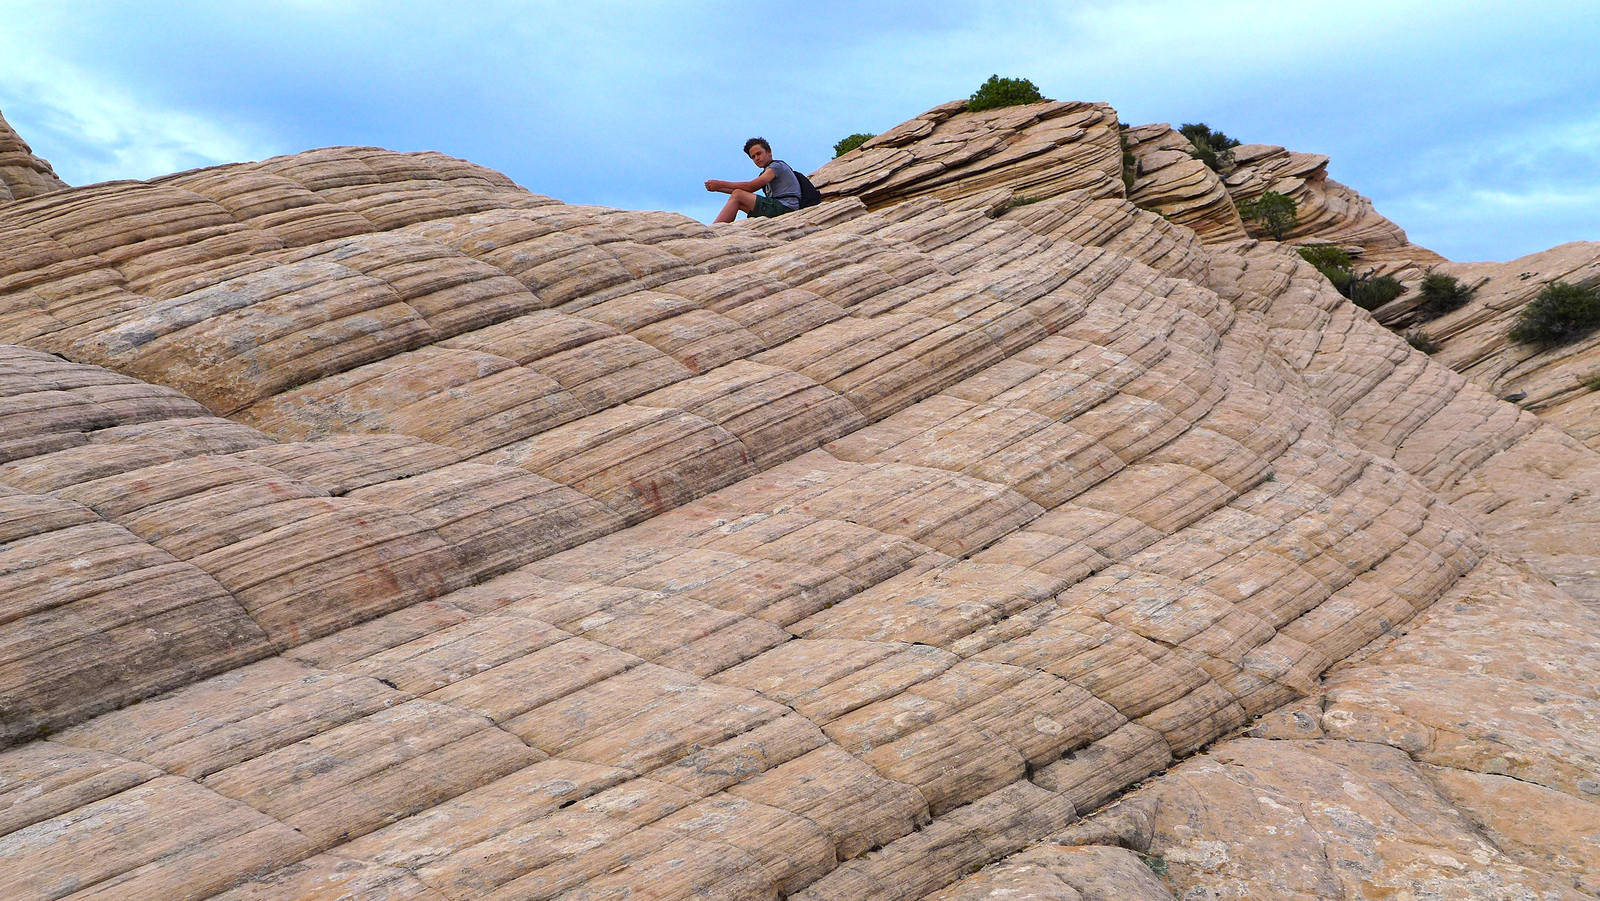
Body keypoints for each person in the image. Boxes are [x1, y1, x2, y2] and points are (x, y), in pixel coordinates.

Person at [705, 137, 801, 223]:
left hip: (785, 208)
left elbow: (750, 186)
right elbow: (746, 190)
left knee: (738, 195)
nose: (757, 158)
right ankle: (718, 228)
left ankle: (714, 229)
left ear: (769, 152)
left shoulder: (776, 166)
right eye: (753, 157)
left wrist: (720, 183)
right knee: (739, 201)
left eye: (759, 154)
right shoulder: (765, 172)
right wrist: (718, 188)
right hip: (777, 207)